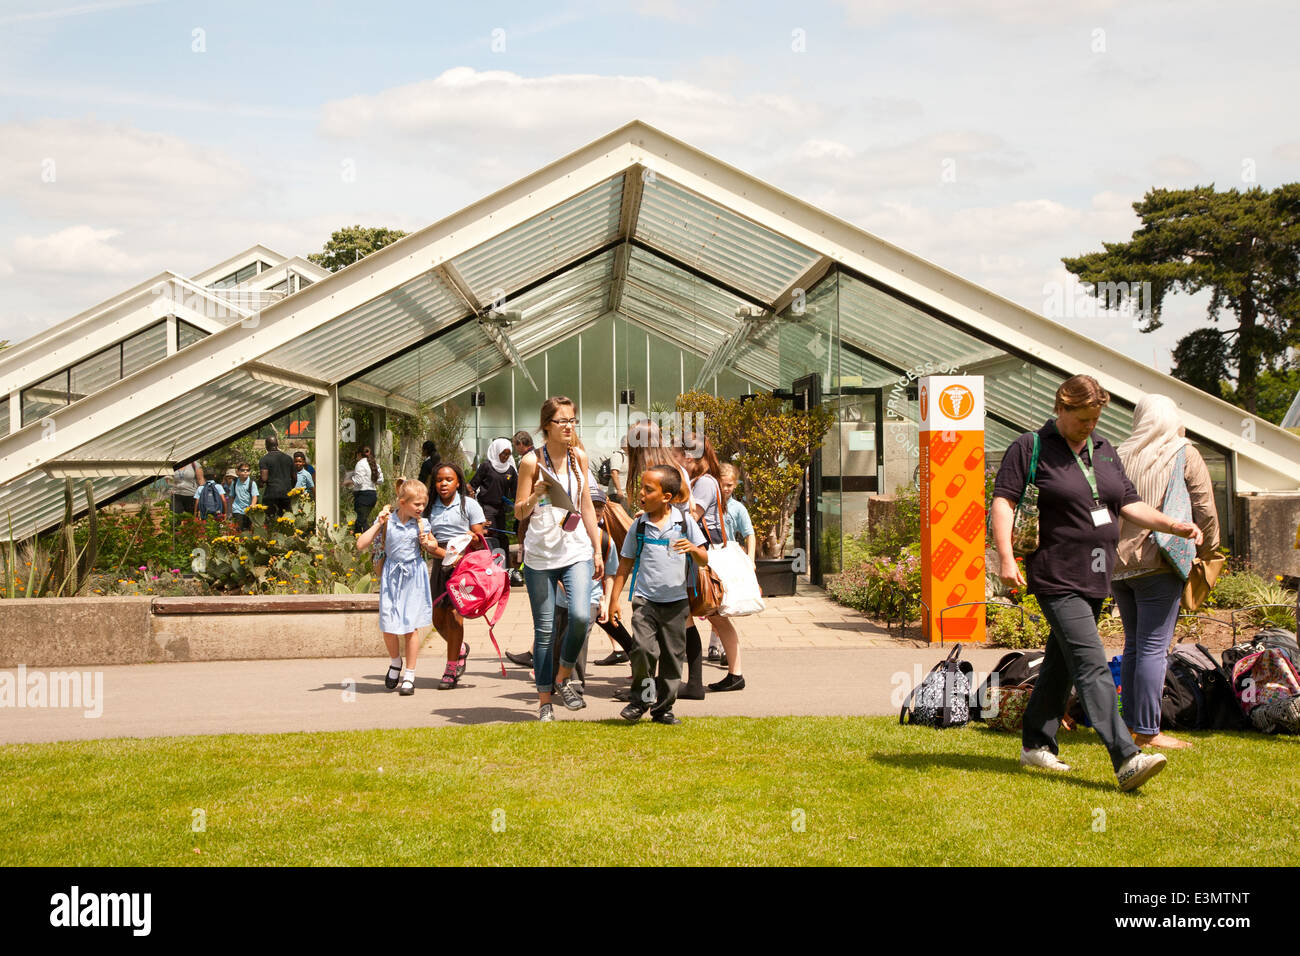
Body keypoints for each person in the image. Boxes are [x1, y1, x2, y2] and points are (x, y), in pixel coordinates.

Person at [991, 374, 1202, 792]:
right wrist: (1004, 555)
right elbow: (1004, 500)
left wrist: (1172, 525)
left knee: (1062, 662)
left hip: (1097, 574)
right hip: (1055, 575)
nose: (1091, 425)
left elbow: (1128, 503)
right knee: (1090, 663)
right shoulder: (1030, 447)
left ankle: (1036, 742)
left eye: (1096, 418)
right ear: (1061, 409)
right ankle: (1126, 758)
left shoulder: (1103, 449)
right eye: (1083, 418)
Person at [1113, 394, 1220, 749]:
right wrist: (1209, 552)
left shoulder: (1119, 453)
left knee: (1133, 646)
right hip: (1160, 559)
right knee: (1153, 647)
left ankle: (1130, 723)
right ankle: (1147, 730)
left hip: (1118, 563)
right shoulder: (1182, 451)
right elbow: (1204, 505)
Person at [513, 397, 605, 722]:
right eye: (562, 421)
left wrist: (596, 548)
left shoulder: (579, 456)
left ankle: (563, 676)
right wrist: (536, 493)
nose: (569, 427)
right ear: (547, 426)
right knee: (545, 630)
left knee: (581, 616)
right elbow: (519, 511)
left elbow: (588, 505)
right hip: (540, 555)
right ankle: (544, 702)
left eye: (573, 421)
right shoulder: (530, 462)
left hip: (576, 549)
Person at [606, 464, 710, 725]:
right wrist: (614, 600)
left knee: (673, 658)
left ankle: (663, 709)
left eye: (648, 489)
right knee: (642, 650)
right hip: (645, 600)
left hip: (676, 603)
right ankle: (641, 700)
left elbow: (704, 559)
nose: (641, 493)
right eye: (641, 487)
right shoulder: (639, 526)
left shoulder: (684, 523)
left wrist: (694, 551)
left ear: (666, 497)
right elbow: (626, 564)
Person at [676, 432, 745, 692]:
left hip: (706, 554)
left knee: (714, 612)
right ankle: (733, 673)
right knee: (713, 614)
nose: (675, 458)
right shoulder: (699, 480)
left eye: (678, 454)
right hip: (701, 552)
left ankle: (734, 673)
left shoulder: (704, 482)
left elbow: (693, 517)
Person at [357, 479, 437, 696]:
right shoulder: (387, 521)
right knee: (389, 626)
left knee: (411, 628)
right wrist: (378, 523)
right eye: (417, 504)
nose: (421, 508)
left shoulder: (421, 523)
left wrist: (429, 544)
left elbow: (434, 544)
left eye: (423, 504)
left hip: (413, 576)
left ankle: (410, 674)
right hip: (392, 577)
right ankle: (395, 662)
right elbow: (361, 544)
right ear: (402, 502)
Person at [426, 462, 488, 690]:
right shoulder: (429, 507)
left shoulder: (469, 505)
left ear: (458, 482)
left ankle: (450, 669)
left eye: (449, 479)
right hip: (438, 560)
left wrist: (472, 538)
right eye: (440, 480)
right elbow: (425, 535)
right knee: (437, 619)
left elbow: (479, 536)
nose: (443, 484)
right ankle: (460, 649)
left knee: (454, 616)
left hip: (462, 564)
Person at [710, 462, 756, 664]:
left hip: (729, 557)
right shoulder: (710, 504)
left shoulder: (738, 508)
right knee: (714, 602)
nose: (726, 488)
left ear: (735, 485)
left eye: (730, 485)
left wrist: (751, 560)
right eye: (722, 484)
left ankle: (719, 645)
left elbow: (749, 534)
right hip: (711, 554)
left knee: (725, 602)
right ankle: (716, 644)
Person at [469, 437, 517, 561]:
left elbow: (516, 492)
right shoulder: (486, 466)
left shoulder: (510, 470)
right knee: (490, 535)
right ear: (496, 451)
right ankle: (488, 564)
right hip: (486, 508)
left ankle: (503, 565)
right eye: (503, 453)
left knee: (502, 536)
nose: (505, 457)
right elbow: (473, 485)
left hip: (501, 509)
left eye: (508, 454)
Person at [345, 445, 383, 533]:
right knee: (362, 520)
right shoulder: (374, 464)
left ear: (359, 454)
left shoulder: (360, 463)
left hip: (363, 496)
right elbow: (380, 480)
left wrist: (347, 481)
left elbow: (359, 481)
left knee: (360, 522)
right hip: (372, 494)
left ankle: (372, 538)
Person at [258, 436, 294, 518]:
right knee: (286, 520)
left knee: (271, 520)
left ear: (266, 446)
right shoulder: (288, 458)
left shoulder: (264, 459)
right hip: (286, 494)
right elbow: (294, 477)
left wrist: (259, 482)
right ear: (277, 444)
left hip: (271, 495)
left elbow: (264, 478)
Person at [229, 462, 259, 531]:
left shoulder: (252, 483)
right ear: (238, 472)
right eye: (242, 470)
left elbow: (255, 496)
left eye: (247, 470)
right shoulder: (235, 482)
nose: (245, 472)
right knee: (238, 529)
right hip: (237, 509)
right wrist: (232, 508)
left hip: (248, 510)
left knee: (247, 529)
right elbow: (232, 496)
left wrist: (252, 505)